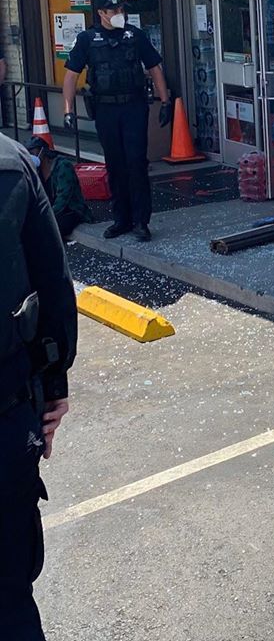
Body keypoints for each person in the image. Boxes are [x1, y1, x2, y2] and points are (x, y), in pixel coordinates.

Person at [0, 132, 77, 640]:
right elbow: (52, 283)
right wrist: (54, 385)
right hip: (5, 416)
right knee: (9, 595)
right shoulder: (10, 164)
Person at [61, 0, 172, 242]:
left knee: (136, 163)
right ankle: (121, 219)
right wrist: (68, 110)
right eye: (114, 10)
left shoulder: (135, 36)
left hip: (134, 107)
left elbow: (154, 67)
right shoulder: (87, 39)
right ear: (101, 13)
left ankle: (141, 221)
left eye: (122, 9)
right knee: (115, 164)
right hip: (106, 109)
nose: (119, 14)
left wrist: (164, 101)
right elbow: (71, 75)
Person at [25, 138, 93, 241]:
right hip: (51, 208)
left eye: (32, 152)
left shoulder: (63, 166)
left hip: (70, 209)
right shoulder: (36, 170)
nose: (30, 156)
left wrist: (45, 217)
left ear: (43, 152)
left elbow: (63, 198)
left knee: (50, 228)